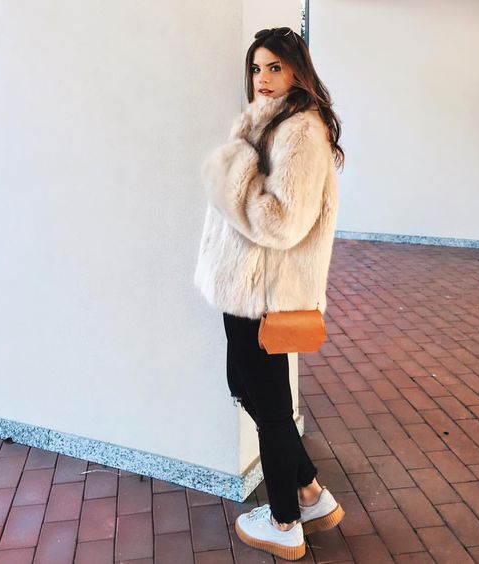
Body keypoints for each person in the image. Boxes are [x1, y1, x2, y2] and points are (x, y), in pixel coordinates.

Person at [193, 26, 345, 561]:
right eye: (257, 68)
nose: (263, 78)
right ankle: (310, 494)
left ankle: (284, 522)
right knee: (249, 387)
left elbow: (281, 221)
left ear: (298, 71)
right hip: (245, 287)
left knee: (272, 406)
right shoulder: (268, 121)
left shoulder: (301, 131)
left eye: (275, 67)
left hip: (264, 293)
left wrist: (232, 173)